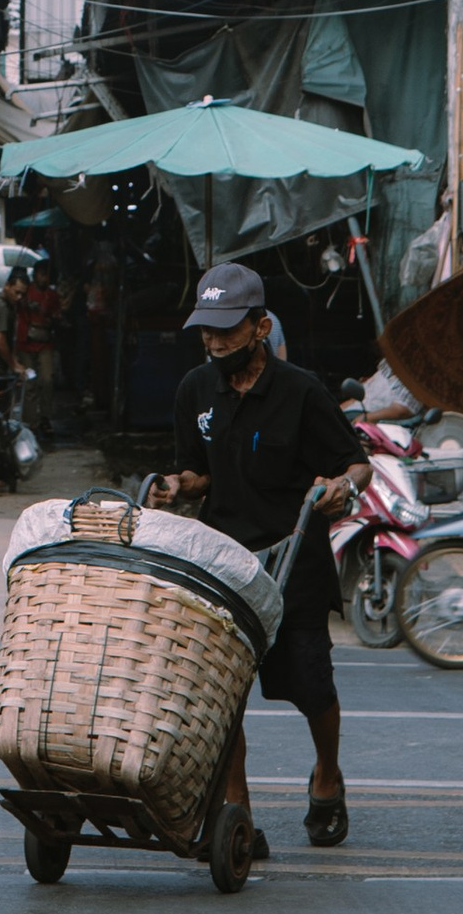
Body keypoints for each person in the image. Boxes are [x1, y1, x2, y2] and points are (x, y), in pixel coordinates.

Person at [151, 259, 368, 853]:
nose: (214, 340)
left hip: (293, 567)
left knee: (311, 687)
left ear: (261, 326)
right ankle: (236, 811)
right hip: (223, 567)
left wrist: (343, 487)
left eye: (227, 328)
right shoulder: (195, 389)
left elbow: (356, 462)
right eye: (206, 328)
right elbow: (197, 473)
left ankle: (327, 774)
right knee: (221, 698)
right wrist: (176, 487)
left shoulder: (300, 391)